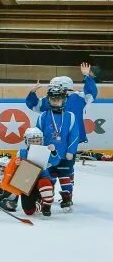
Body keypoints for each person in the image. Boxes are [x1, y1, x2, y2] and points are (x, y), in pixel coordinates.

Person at [37, 83, 81, 211]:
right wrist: (38, 151)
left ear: (64, 99)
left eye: (58, 99)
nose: (56, 102)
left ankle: (67, 197)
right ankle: (46, 198)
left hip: (64, 154)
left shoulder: (70, 116)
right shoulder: (43, 116)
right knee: (48, 177)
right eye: (53, 99)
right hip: (47, 155)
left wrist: (71, 151)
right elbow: (38, 135)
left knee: (64, 174)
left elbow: (74, 135)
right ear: (49, 100)